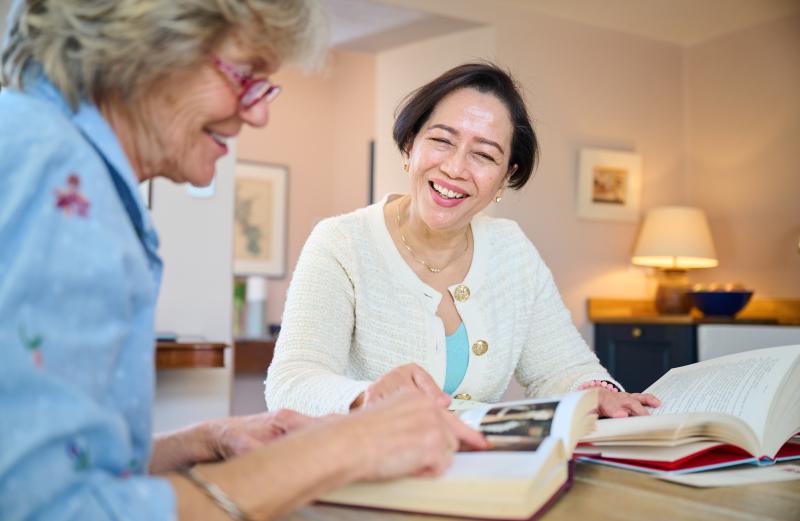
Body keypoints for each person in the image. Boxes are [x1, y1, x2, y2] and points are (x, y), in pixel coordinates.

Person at [0, 2, 487, 520]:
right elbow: (48, 509)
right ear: (146, 49)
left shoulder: (43, 146)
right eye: (245, 76)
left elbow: (51, 464)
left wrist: (205, 438)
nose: (258, 112)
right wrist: (347, 446)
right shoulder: (57, 174)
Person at [265, 62, 661, 418]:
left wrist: (598, 391)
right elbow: (291, 382)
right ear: (410, 145)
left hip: (479, 472)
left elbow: (563, 368)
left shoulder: (512, 249)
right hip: (367, 471)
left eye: (484, 155)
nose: (455, 167)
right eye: (441, 140)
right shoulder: (341, 243)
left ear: (506, 176)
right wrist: (367, 397)